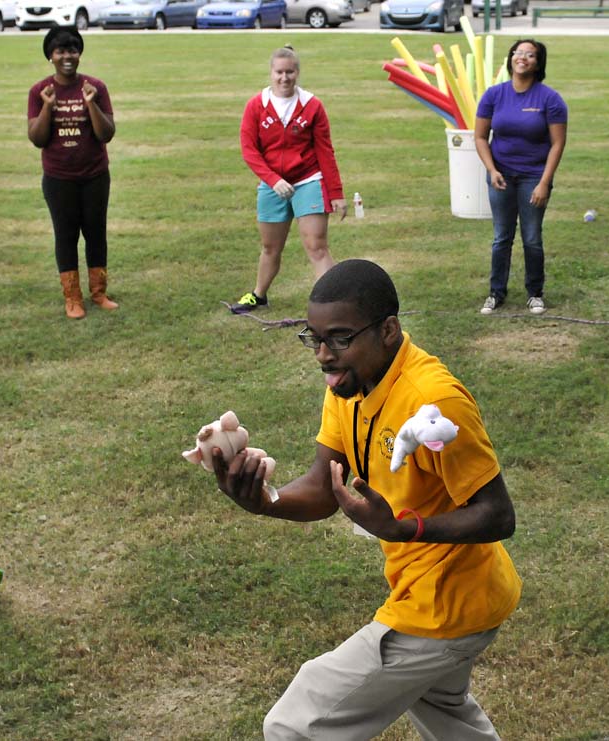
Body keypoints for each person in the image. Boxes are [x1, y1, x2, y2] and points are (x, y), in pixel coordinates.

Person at [213, 259, 522, 740]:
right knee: (449, 717)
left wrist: (406, 529)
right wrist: (264, 500)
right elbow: (322, 487)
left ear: (389, 331)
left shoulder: (434, 402)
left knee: (295, 726)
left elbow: (498, 515)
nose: (322, 355)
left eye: (338, 338)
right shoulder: (348, 384)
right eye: (313, 338)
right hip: (440, 595)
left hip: (445, 609)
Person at [230, 45, 347, 314]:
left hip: (309, 180)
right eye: (279, 72)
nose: (285, 78)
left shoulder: (312, 105)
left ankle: (335, 305)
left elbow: (325, 151)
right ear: (271, 73)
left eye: (290, 72)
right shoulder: (256, 106)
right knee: (271, 247)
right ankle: (258, 295)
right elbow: (250, 150)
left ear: (298, 73)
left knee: (316, 246)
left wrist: (336, 192)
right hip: (273, 185)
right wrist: (272, 180)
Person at [28, 26, 117, 320]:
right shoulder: (40, 91)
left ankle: (99, 292)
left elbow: (106, 134)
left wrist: (91, 103)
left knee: (95, 233)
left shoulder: (96, 87)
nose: (67, 56)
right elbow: (37, 138)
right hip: (58, 178)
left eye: (72, 50)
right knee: (65, 237)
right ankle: (72, 298)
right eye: (60, 51)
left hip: (94, 175)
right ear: (50, 56)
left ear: (79, 54)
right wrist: (47, 107)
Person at [475, 39, 567, 316]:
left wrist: (543, 182)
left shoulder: (550, 99)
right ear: (511, 58)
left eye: (530, 55)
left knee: (531, 237)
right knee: (501, 237)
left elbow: (557, 144)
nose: (523, 58)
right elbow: (480, 137)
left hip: (533, 177)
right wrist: (492, 170)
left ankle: (535, 294)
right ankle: (496, 293)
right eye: (518, 53)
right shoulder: (494, 95)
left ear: (538, 63)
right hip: (500, 175)